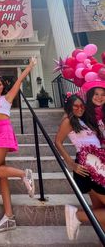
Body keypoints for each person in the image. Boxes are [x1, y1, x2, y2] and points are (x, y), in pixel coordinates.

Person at [0, 56, 37, 233]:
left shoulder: (7, 97)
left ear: (4, 86)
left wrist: (30, 65)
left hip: (4, 132)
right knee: (1, 175)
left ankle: (25, 174)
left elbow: (20, 79)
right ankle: (9, 217)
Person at [55, 94, 105, 241]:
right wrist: (71, 164)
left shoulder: (83, 121)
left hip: (97, 167)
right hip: (87, 167)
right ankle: (77, 215)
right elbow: (58, 142)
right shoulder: (68, 120)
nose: (79, 108)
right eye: (75, 106)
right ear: (69, 108)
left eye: (82, 106)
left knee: (100, 210)